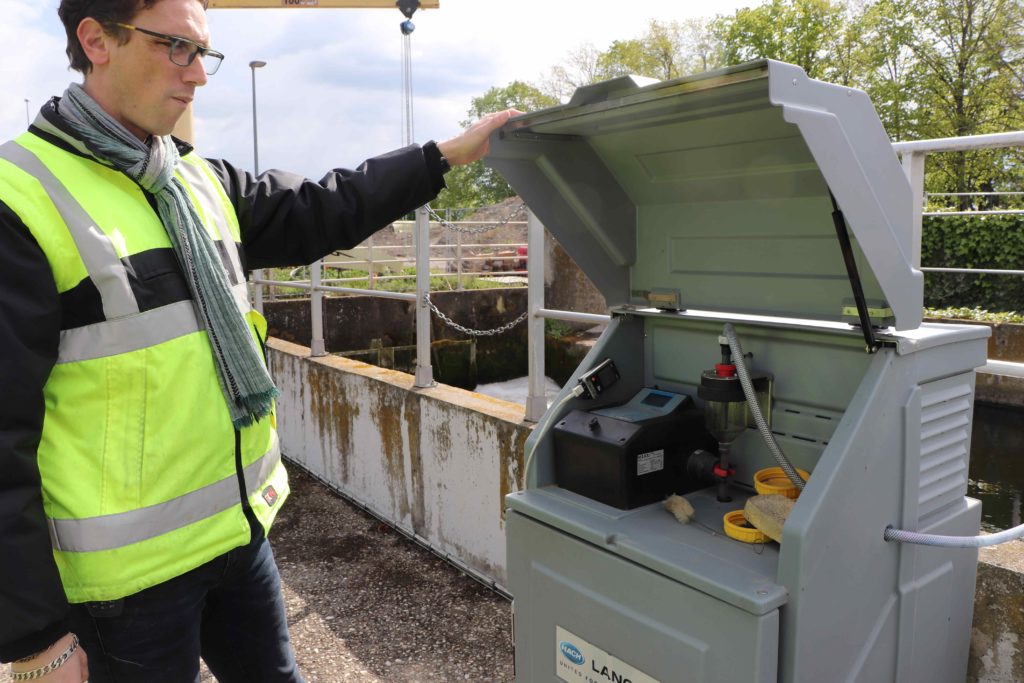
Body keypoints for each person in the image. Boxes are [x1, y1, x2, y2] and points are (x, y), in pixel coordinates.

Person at [0, 0, 517, 680]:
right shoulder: (22, 199)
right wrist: (37, 636)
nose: (198, 76)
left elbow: (327, 206)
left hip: (237, 541)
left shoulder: (195, 180)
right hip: (124, 588)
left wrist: (443, 157)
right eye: (175, 49)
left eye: (203, 53)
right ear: (96, 39)